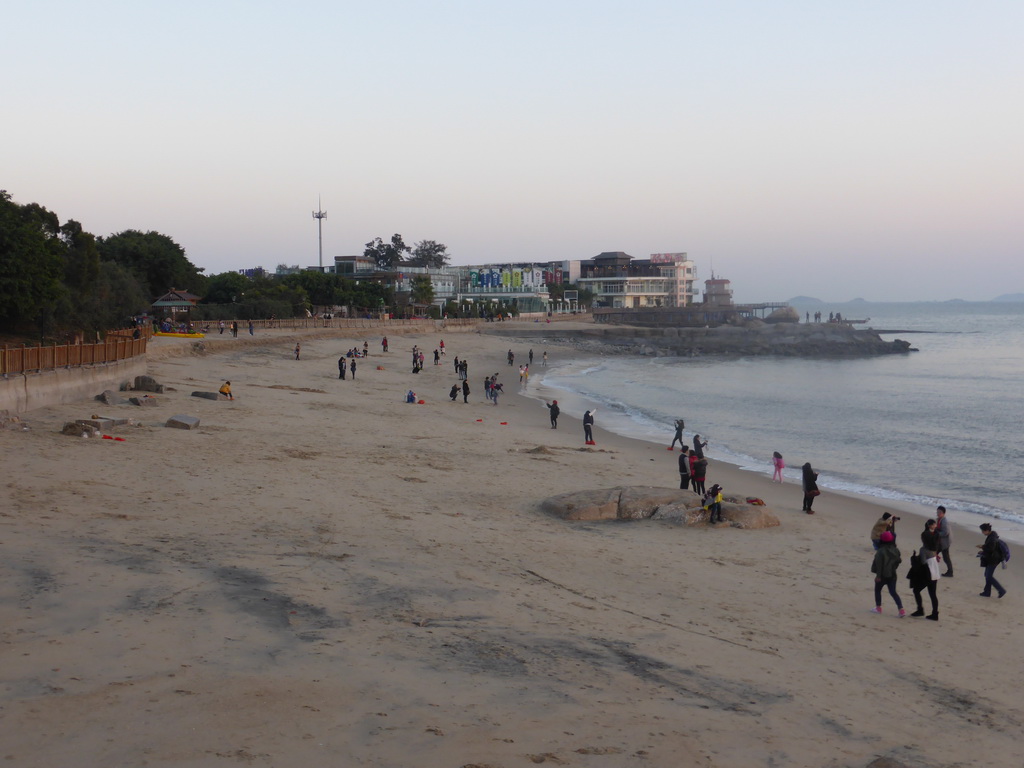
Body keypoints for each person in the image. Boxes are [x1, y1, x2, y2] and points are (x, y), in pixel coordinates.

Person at [871, 531, 905, 616]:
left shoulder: (880, 551)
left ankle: (878, 607)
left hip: (882, 575)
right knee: (893, 592)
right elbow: (898, 561)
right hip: (892, 574)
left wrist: (878, 576)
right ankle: (901, 609)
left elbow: (878, 565)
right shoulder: (896, 550)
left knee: (878, 590)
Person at [976, 523, 1007, 598]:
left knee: (988, 576)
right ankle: (987, 592)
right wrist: (983, 551)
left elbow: (991, 549)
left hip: (994, 560)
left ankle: (1001, 590)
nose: (982, 532)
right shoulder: (992, 536)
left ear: (987, 530)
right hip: (992, 558)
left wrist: (982, 547)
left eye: (983, 531)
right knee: (987, 575)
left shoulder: (992, 538)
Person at [906, 548, 937, 619]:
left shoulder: (923, 549)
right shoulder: (934, 547)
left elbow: (923, 562)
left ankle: (920, 610)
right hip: (935, 572)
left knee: (916, 590)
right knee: (933, 594)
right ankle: (935, 613)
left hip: (927, 574)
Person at [936, 506, 953, 577]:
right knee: (933, 553)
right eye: (937, 512)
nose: (938, 513)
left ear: (943, 513)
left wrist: (937, 534)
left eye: (939, 512)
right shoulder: (939, 519)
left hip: (945, 542)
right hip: (941, 541)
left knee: (945, 557)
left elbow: (946, 532)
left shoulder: (945, 521)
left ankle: (950, 572)